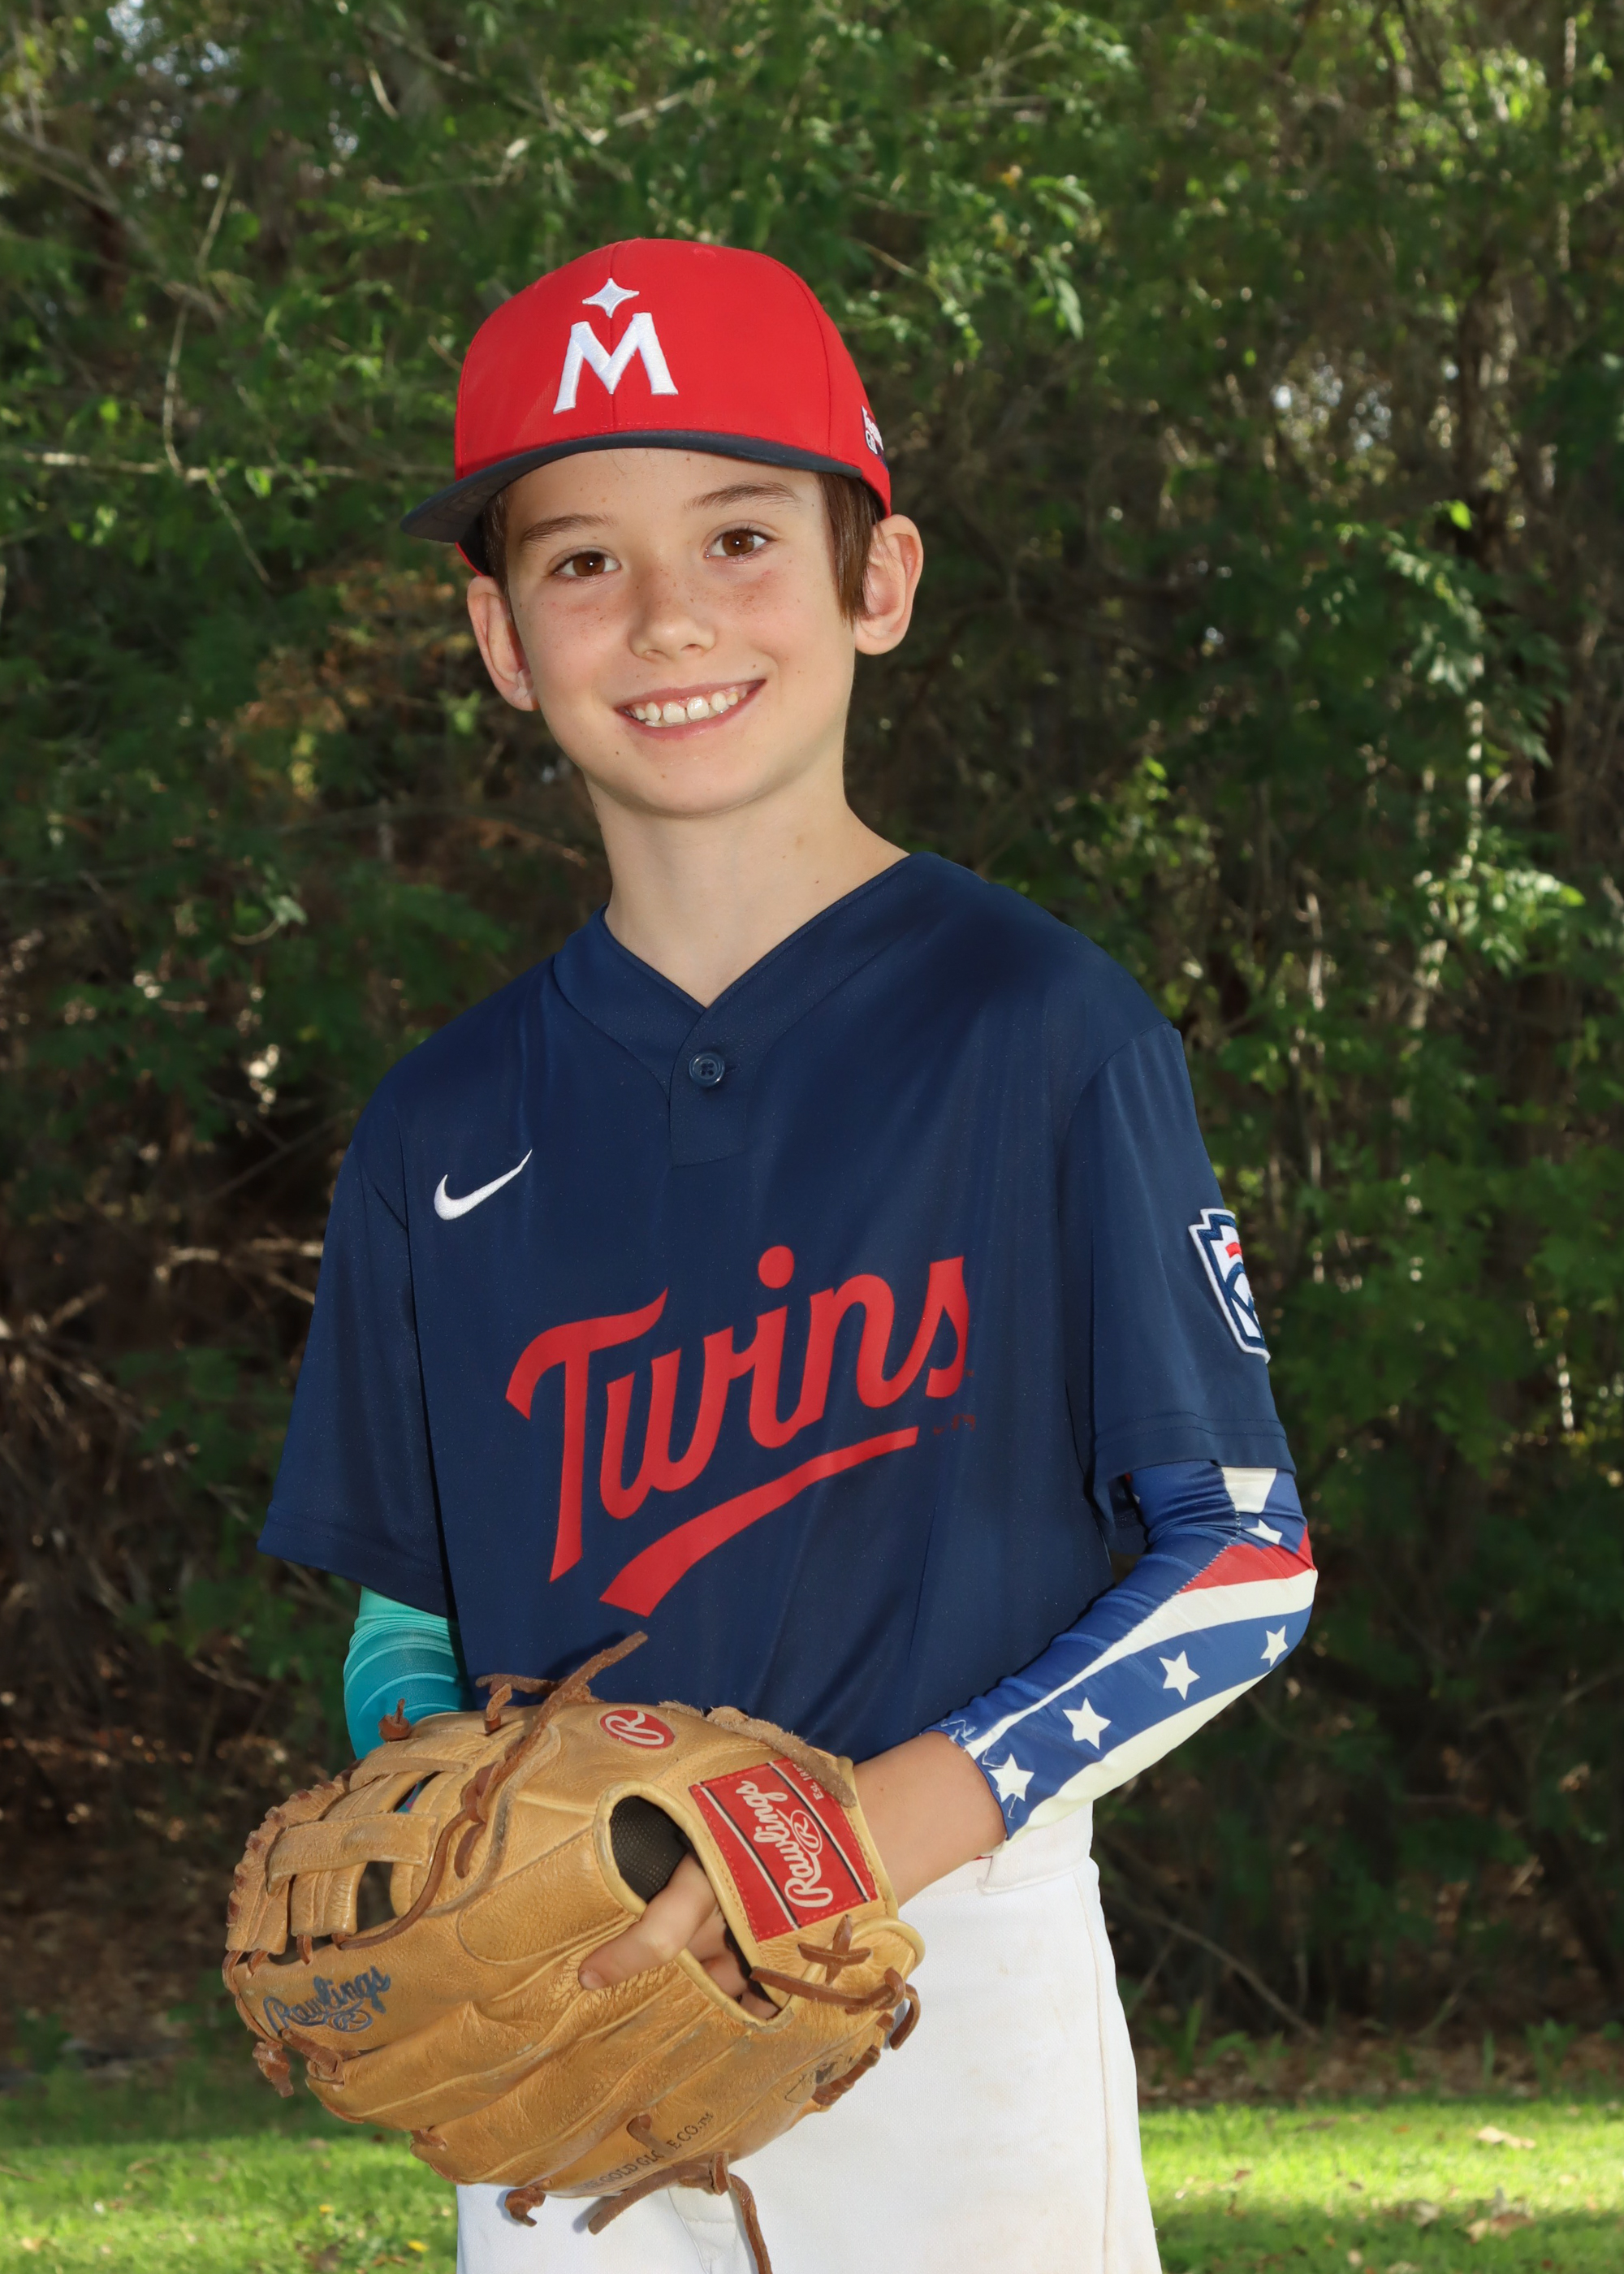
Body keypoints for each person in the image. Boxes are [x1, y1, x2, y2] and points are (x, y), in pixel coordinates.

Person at [261, 237, 1316, 2274]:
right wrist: (455, 1838)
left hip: (948, 1981)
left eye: (739, 535)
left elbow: (1241, 1557)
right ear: (498, 633)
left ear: (876, 579)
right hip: (572, 2000)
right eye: (582, 560)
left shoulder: (1041, 1028)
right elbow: (410, 1604)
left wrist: (830, 1837)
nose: (667, 615)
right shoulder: (441, 1125)